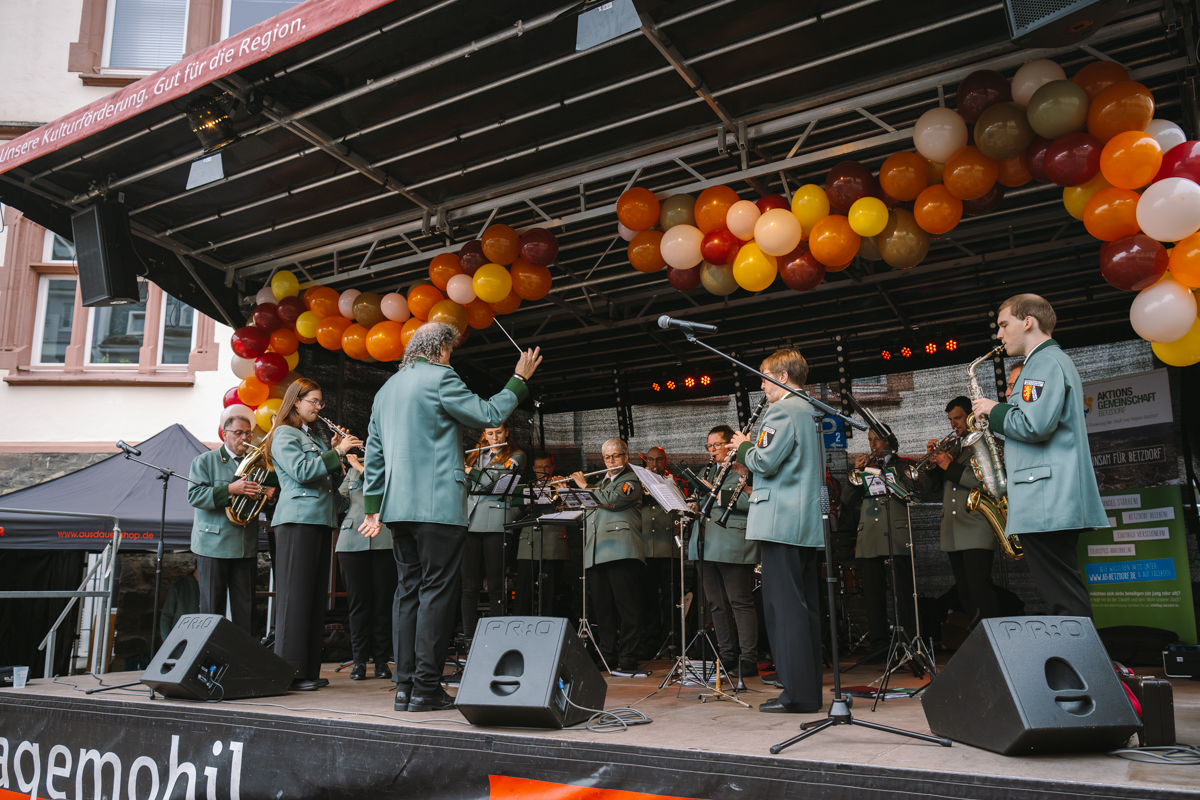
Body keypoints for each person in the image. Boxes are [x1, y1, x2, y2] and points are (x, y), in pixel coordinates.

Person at [359, 322, 540, 713]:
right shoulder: (440, 378)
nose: (451, 356)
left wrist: (373, 505)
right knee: (437, 594)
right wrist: (518, 380)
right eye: (451, 350)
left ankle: (404, 688)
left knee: (407, 592)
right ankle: (426, 687)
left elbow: (374, 455)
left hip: (396, 508)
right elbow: (488, 414)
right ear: (441, 347)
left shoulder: (386, 389)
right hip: (437, 504)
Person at [972, 294, 1107, 617]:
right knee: (1062, 592)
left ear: (1028, 321)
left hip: (1046, 497)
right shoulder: (1048, 361)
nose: (999, 335)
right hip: (1048, 494)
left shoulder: (1043, 362)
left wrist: (994, 409)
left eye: (1004, 325)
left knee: (1064, 597)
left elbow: (1034, 425)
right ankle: (1081, 662)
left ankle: (1082, 664)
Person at [730, 349, 824, 713]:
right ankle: (807, 691)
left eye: (765, 377)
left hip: (781, 521)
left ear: (782, 377)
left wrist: (743, 448)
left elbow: (764, 461)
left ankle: (797, 696)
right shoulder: (809, 409)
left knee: (783, 611)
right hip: (802, 523)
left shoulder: (783, 410)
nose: (762, 386)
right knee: (803, 610)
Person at [264, 378, 362, 692]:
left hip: (319, 519)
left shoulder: (313, 436)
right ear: (295, 401)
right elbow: (303, 472)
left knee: (314, 598)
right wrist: (338, 452)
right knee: (296, 599)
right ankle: (290, 672)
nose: (318, 408)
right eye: (314, 402)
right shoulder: (283, 433)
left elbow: (324, 473)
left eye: (320, 403)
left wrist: (337, 453)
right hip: (296, 520)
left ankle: (307, 670)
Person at [187, 413, 276, 638]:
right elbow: (195, 496)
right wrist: (229, 490)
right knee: (211, 609)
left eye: (248, 433)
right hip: (212, 545)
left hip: (244, 544)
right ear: (224, 434)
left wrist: (268, 494)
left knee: (246, 609)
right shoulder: (205, 461)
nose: (244, 438)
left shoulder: (258, 464)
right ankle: (208, 660)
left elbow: (264, 501)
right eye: (238, 433)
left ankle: (246, 663)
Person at [690, 425, 760, 687]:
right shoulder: (706, 471)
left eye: (716, 445)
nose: (712, 451)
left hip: (732, 541)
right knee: (716, 604)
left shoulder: (747, 464)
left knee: (740, 602)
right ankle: (727, 655)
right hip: (705, 542)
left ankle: (748, 658)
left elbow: (752, 500)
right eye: (709, 447)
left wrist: (717, 494)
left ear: (730, 444)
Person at [572, 438, 648, 677]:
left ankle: (628, 656)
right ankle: (607, 655)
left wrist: (584, 488)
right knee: (602, 608)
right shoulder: (601, 483)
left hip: (622, 551)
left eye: (616, 456)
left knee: (627, 607)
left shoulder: (632, 479)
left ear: (626, 457)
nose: (611, 461)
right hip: (597, 552)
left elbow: (611, 501)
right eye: (607, 457)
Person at [921, 397, 999, 627]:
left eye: (958, 418)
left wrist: (949, 466)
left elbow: (986, 482)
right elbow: (930, 489)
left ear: (970, 416)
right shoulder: (955, 447)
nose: (953, 424)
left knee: (980, 589)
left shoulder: (984, 443)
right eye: (950, 420)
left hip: (976, 527)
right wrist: (932, 463)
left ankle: (994, 641)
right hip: (954, 530)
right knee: (964, 592)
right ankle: (978, 639)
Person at [843, 427, 917, 659]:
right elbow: (846, 500)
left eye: (877, 440)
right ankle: (878, 645)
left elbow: (913, 492)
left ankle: (908, 643)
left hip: (896, 536)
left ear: (889, 440)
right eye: (870, 440)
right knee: (873, 596)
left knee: (902, 594)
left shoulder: (902, 465)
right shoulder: (863, 468)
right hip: (870, 538)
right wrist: (857, 472)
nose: (873, 444)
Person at [462, 423, 525, 642]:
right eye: (489, 433)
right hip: (469, 522)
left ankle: (497, 636)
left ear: (507, 432)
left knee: (496, 584)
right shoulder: (474, 455)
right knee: (469, 584)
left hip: (496, 522)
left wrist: (470, 472)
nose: (494, 437)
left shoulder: (517, 455)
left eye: (498, 432)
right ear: (484, 435)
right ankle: (469, 638)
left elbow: (498, 482)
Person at [337, 453, 396, 681]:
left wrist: (360, 468)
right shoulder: (349, 471)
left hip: (384, 540)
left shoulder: (386, 468)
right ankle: (359, 661)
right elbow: (340, 501)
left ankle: (381, 661)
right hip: (351, 541)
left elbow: (388, 491)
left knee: (383, 604)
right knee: (357, 605)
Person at [515, 453, 569, 616]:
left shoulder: (560, 484)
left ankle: (549, 629)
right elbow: (514, 513)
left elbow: (571, 509)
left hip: (553, 542)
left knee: (550, 591)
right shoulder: (526, 487)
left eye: (546, 467)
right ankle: (520, 627)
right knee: (523, 590)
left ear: (552, 467)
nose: (543, 470)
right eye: (539, 467)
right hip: (528, 542)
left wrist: (564, 489)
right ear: (533, 469)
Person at [638, 446, 678, 658]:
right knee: (648, 599)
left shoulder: (676, 483)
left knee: (672, 600)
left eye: (659, 460)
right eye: (651, 460)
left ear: (666, 461)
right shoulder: (637, 483)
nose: (655, 464)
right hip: (645, 549)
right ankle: (650, 644)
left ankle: (674, 643)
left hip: (669, 549)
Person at [160, 568, 199, 640]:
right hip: (180, 639)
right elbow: (167, 615)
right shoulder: (178, 586)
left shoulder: (212, 588)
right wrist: (167, 641)